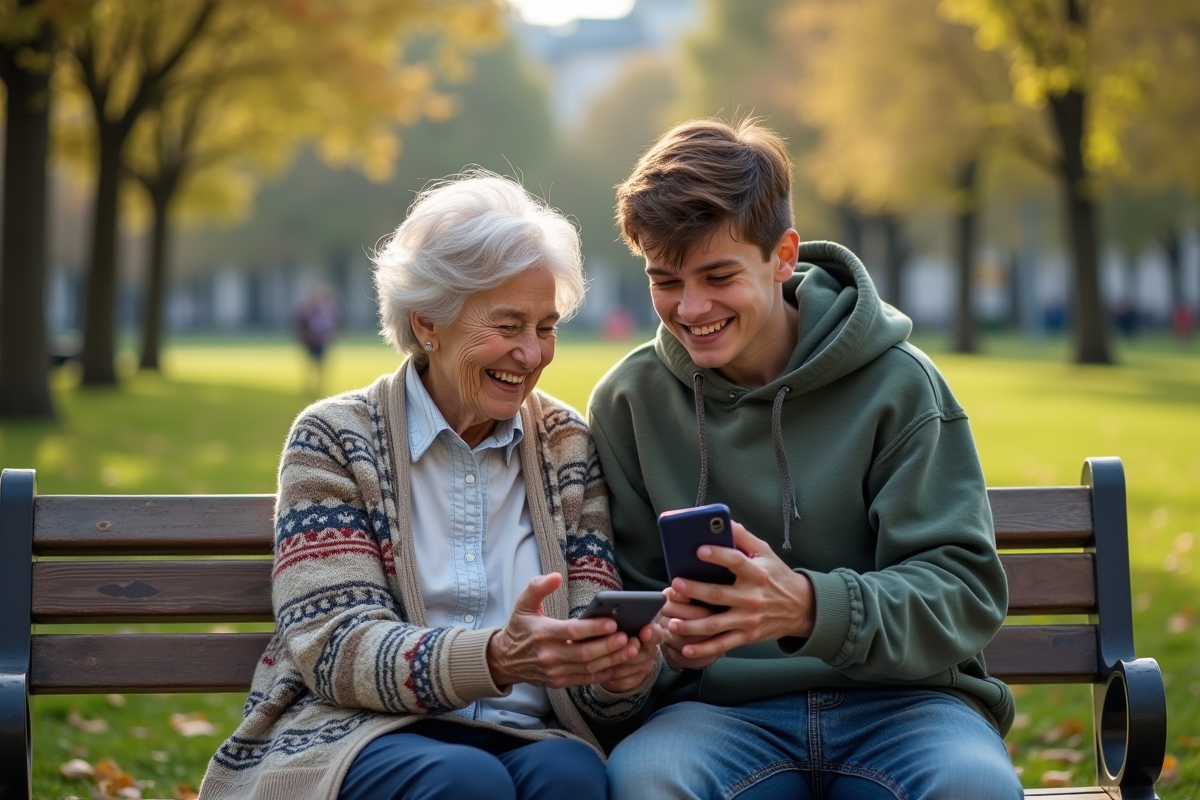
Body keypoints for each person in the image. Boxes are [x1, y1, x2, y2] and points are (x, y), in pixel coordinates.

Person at [587, 118, 1022, 799]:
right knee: (647, 785)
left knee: (971, 788)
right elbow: (632, 596)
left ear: (783, 255)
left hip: (906, 707)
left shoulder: (901, 385)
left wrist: (809, 607)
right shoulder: (630, 401)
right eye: (665, 279)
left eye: (717, 275)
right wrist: (648, 648)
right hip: (717, 715)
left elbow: (963, 592)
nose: (690, 306)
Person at [199, 171, 662, 800]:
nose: (531, 354)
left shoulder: (565, 446)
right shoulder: (334, 439)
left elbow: (589, 643)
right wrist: (496, 657)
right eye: (507, 326)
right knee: (463, 780)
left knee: (573, 776)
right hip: (356, 732)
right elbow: (337, 649)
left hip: (523, 733)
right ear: (427, 325)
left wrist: (616, 673)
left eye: (545, 327)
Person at [293, 284, 342, 395]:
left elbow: (335, 323)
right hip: (310, 341)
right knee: (310, 364)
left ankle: (320, 385)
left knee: (321, 364)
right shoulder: (307, 310)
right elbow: (300, 324)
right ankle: (310, 385)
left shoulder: (327, 309)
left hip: (321, 341)